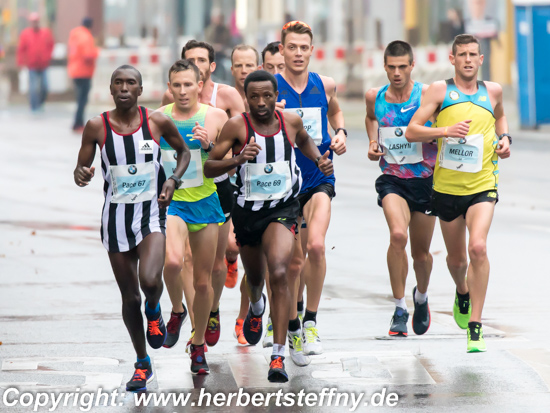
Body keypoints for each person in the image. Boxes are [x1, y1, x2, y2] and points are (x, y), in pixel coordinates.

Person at [204, 70, 333, 382]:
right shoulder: (238, 126)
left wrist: (318, 159)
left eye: (267, 96)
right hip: (249, 211)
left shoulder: (289, 121)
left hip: (284, 207)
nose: (261, 102)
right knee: (257, 278)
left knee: (279, 270)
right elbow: (209, 167)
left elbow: (304, 140)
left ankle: (278, 356)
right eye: (254, 97)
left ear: (277, 96)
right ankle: (257, 304)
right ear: (245, 98)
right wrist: (237, 160)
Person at [74, 65, 190, 391]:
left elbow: (182, 152)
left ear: (140, 90)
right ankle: (142, 363)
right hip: (115, 221)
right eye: (118, 83)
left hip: (151, 213)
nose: (124, 88)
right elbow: (80, 168)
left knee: (151, 280)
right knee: (129, 299)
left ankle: (156, 309)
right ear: (110, 89)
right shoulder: (96, 127)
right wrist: (82, 174)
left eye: (131, 83)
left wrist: (173, 179)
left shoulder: (157, 122)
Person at [406, 34, 511, 352]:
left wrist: (504, 138)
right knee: (457, 258)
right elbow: (412, 130)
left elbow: (501, 115)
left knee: (478, 247)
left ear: (481, 59)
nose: (467, 59)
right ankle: (462, 291)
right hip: (447, 189)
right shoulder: (440, 90)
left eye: (473, 54)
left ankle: (475, 326)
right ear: (452, 59)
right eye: (461, 54)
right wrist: (444, 131)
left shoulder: (492, 91)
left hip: (483, 184)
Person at [160, 40, 245, 351]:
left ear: (201, 82)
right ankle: (182, 314)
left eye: (189, 84)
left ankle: (204, 327)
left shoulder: (218, 112)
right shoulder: (161, 115)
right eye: (177, 85)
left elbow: (232, 155)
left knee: (208, 274)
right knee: (176, 260)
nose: (183, 91)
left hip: (211, 196)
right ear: (170, 86)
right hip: (175, 202)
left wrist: (210, 146)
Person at [275, 21, 347, 356]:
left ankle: (311, 322)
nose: (299, 53)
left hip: (320, 176)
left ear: (312, 49)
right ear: (282, 49)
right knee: (294, 261)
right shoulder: (270, 89)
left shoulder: (325, 84)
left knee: (316, 247)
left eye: (305, 47)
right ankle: (292, 325)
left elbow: (335, 110)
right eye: (293, 47)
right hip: (285, 184)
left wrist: (341, 131)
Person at [365, 41, 437, 337]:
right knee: (398, 235)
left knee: (421, 254)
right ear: (384, 66)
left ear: (412, 66)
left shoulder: (427, 95)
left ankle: (421, 297)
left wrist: (433, 137)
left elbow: (443, 123)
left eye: (402, 67)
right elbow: (371, 119)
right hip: (392, 178)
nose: (396, 73)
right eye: (391, 67)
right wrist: (372, 142)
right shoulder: (375, 97)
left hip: (425, 179)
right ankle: (399, 307)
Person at [16, 12, 54, 111]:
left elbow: (51, 45)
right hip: (32, 65)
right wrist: (21, 62)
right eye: (33, 21)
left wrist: (48, 56)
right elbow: (21, 49)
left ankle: (41, 103)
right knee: (33, 88)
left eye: (36, 21)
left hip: (43, 64)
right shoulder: (25, 34)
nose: (35, 23)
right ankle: (34, 106)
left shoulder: (45, 33)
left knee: (44, 87)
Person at [68, 17, 99, 132]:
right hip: (84, 72)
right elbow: (88, 55)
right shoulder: (86, 37)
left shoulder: (75, 35)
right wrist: (97, 51)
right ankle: (78, 123)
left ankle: (77, 122)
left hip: (75, 70)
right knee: (82, 100)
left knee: (79, 99)